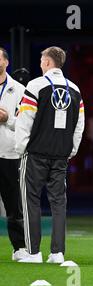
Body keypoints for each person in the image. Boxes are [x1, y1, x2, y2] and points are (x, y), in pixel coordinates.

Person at [15, 46, 85, 263]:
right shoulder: (75, 89)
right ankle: (57, 253)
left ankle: (33, 252)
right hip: (61, 154)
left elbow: (25, 119)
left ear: (46, 62)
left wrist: (21, 148)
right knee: (58, 203)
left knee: (31, 201)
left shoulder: (35, 85)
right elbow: (78, 126)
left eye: (41, 61)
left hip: (36, 153)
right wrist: (71, 150)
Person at [0, 47, 28, 261]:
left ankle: (19, 247)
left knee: (13, 204)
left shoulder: (19, 90)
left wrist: (7, 119)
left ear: (6, 62)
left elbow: (26, 123)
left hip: (9, 154)